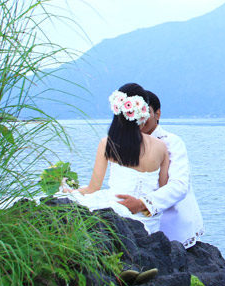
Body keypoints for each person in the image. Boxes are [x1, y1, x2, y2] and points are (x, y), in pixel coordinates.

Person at [60, 83, 170, 234]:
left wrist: (71, 192)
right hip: (149, 221)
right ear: (143, 112)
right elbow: (164, 191)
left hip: (117, 216)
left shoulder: (108, 143)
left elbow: (93, 188)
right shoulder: (161, 147)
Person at [116, 90, 204, 248]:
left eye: (145, 112)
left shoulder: (172, 142)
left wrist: (142, 203)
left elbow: (179, 185)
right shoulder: (125, 144)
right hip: (135, 220)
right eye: (134, 112)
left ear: (158, 114)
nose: (139, 117)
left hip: (171, 222)